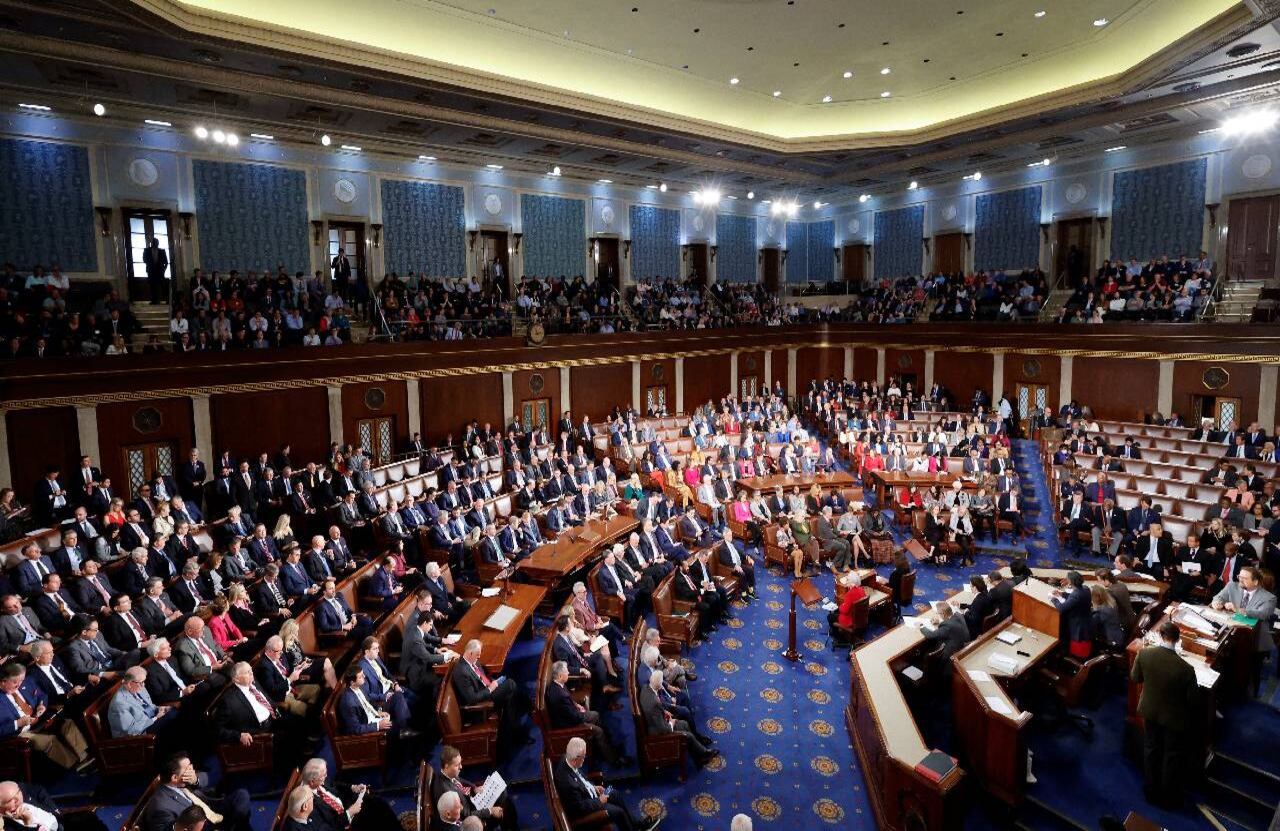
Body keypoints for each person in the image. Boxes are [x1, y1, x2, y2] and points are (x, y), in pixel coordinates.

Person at [1130, 621, 1198, 809]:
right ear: (1178, 640)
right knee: (1171, 755)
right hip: (1174, 719)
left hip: (1150, 711)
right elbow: (1193, 700)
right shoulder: (1186, 669)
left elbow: (1136, 678)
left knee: (1151, 748)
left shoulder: (1144, 654)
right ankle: (1168, 796)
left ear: (1160, 635)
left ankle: (1151, 790)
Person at [552, 737, 660, 831]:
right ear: (576, 759)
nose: (585, 759)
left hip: (590, 794)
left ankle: (636, 825)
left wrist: (593, 787)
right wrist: (599, 801)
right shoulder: (568, 783)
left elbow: (581, 779)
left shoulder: (568, 758)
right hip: (587, 807)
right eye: (583, 757)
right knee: (618, 812)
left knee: (614, 793)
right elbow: (579, 808)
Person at [1211, 566, 1277, 695]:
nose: (1240, 580)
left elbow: (1263, 614)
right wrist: (1216, 603)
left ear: (1256, 582)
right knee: (1224, 660)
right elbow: (1217, 597)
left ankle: (1249, 690)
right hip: (1230, 632)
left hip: (1256, 638)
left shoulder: (1269, 597)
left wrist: (1239, 610)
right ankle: (1225, 688)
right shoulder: (1232, 586)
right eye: (1239, 577)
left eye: (1244, 578)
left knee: (1249, 666)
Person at [451, 639, 528, 744]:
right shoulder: (461, 672)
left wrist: (493, 683)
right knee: (510, 684)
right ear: (470, 653)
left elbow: (483, 676)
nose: (479, 657)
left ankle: (516, 730)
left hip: (488, 690)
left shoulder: (474, 661)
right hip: (483, 704)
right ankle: (525, 709)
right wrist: (490, 688)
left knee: (511, 696)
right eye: (477, 654)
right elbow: (471, 698)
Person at [430, 745, 520, 831]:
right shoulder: (446, 793)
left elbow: (459, 780)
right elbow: (466, 816)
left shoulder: (446, 773)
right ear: (446, 766)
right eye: (457, 765)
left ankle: (506, 821)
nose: (461, 767)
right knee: (506, 808)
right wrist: (490, 811)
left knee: (502, 793)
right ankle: (508, 824)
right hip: (473, 816)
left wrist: (474, 787)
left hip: (472, 800)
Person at [638, 670, 717, 766]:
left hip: (659, 721)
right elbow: (663, 729)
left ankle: (699, 756)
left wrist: (664, 712)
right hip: (657, 733)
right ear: (659, 686)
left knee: (685, 724)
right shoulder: (655, 702)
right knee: (687, 735)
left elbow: (657, 711)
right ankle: (704, 753)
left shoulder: (646, 688)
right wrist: (672, 722)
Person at [301, 756, 399, 831]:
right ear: (312, 782)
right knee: (375, 819)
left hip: (347, 803)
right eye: (323, 776)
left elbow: (335, 784)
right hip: (345, 822)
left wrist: (353, 787)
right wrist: (350, 812)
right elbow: (330, 826)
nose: (326, 777)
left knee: (378, 802)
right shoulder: (309, 804)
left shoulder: (319, 779)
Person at [0, 779, 110, 831]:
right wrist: (27, 823)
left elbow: (39, 790)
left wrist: (55, 810)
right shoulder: (7, 825)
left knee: (88, 817)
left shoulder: (21, 791)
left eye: (18, 792)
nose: (18, 798)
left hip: (59, 821)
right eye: (12, 800)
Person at [1052, 571, 1094, 658]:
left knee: (1077, 650)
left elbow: (1061, 608)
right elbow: (1074, 597)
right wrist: (1062, 594)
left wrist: (1054, 599)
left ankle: (1076, 662)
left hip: (1078, 626)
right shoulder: (1085, 589)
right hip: (1086, 622)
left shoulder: (1076, 595)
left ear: (1070, 581)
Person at [827, 571, 866, 644]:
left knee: (830, 617)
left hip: (850, 620)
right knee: (836, 611)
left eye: (847, 580)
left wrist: (842, 605)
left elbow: (844, 610)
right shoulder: (861, 590)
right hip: (859, 619)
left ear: (851, 582)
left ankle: (839, 638)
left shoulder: (850, 594)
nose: (846, 581)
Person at [1090, 585, 1125, 652]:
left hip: (1111, 643)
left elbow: (1091, 628)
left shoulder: (1099, 612)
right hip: (1119, 636)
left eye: (1091, 597)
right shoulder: (1112, 602)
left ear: (1097, 597)